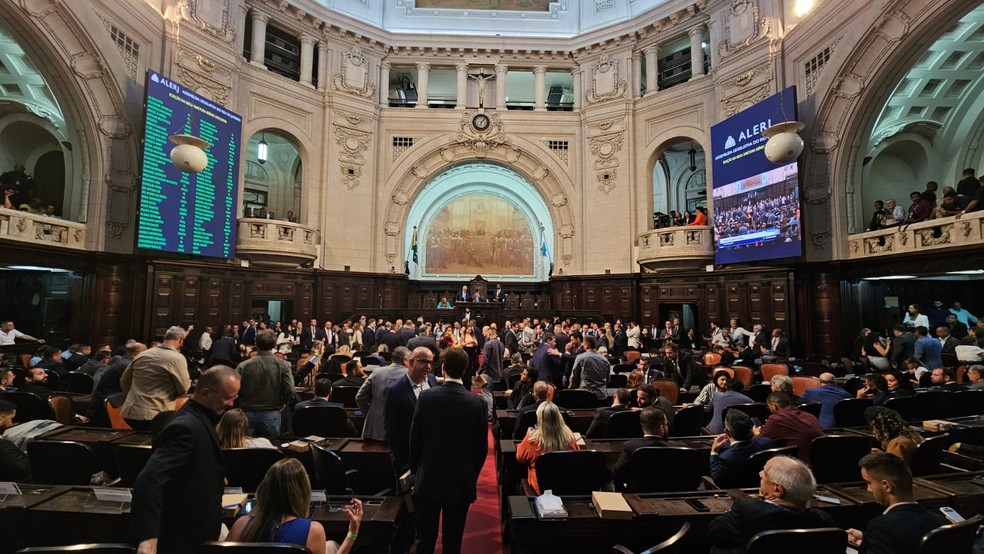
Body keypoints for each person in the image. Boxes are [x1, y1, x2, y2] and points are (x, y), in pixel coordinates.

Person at [131, 366, 241, 553]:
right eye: (228, 398)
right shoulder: (185, 428)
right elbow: (149, 480)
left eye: (234, 398)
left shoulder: (202, 418)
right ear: (206, 393)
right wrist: (149, 536)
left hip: (198, 529)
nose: (231, 404)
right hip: (183, 535)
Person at [409, 347, 488, 554]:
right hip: (460, 481)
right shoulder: (477, 403)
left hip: (428, 478)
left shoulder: (427, 398)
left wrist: (417, 471)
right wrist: (471, 474)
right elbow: (481, 449)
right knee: (453, 541)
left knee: (424, 538)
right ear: (465, 370)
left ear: (442, 368)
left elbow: (415, 440)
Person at [228, 458, 364, 554]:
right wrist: (352, 534)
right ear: (303, 492)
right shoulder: (313, 531)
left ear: (265, 489)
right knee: (332, 546)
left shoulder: (241, 524)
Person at [707, 456, 835, 554]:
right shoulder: (824, 521)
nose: (760, 474)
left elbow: (714, 533)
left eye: (765, 473)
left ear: (778, 490)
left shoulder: (746, 510)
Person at [846, 452, 947, 554]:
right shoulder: (942, 522)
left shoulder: (881, 526)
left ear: (887, 486)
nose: (868, 489)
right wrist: (868, 539)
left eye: (869, 483)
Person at [120, 326, 191, 431]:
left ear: (164, 338)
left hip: (131, 412)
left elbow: (124, 380)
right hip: (157, 414)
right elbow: (183, 388)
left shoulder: (143, 354)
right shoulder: (176, 358)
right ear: (180, 340)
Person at [236, 329, 295, 438]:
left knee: (245, 448)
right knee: (269, 450)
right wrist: (283, 403)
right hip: (271, 412)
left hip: (246, 412)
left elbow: (234, 390)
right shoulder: (283, 365)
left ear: (256, 344)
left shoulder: (243, 366)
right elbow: (290, 389)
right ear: (274, 344)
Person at [516, 401, 580, 495]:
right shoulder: (570, 437)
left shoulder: (532, 439)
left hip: (540, 488)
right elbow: (575, 456)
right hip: (565, 485)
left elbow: (520, 457)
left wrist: (527, 435)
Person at [709, 409, 776, 488]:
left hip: (736, 494)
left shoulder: (726, 457)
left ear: (726, 431)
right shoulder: (768, 443)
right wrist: (757, 435)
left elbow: (717, 478)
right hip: (763, 489)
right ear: (750, 429)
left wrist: (714, 451)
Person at [356, 346, 411, 441]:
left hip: (374, 427)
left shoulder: (377, 372)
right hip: (401, 429)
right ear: (405, 360)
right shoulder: (410, 374)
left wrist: (369, 413)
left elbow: (360, 397)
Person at [612, 406, 669, 491]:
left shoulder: (630, 446)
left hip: (636, 496)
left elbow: (617, 474)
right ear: (661, 428)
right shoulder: (677, 447)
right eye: (666, 424)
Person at [756, 392, 824, 463]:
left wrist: (757, 433)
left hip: (799, 465)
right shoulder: (810, 416)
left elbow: (758, 443)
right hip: (821, 461)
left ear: (774, 406)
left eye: (768, 406)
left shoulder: (776, 419)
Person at [570, 334, 610, 400]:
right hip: (602, 396)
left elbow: (573, 377)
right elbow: (608, 379)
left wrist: (570, 388)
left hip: (585, 395)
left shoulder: (580, 357)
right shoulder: (605, 360)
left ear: (586, 345)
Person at [0, 400, 31, 482]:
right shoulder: (3, 447)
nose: (11, 424)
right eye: (11, 419)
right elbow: (25, 470)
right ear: (1, 418)